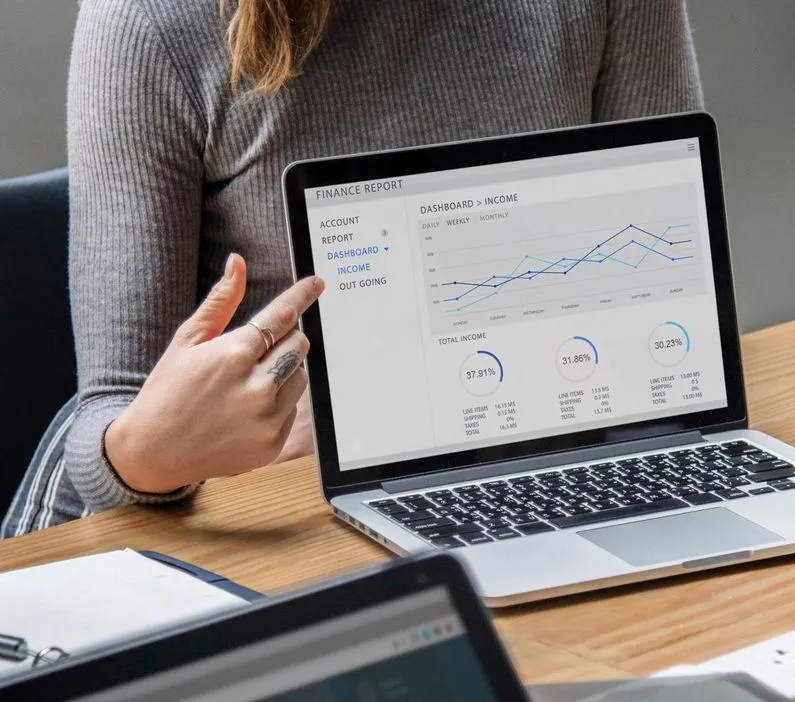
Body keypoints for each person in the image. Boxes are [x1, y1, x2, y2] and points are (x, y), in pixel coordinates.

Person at [1, 0, 703, 538]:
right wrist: (178, 444)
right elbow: (109, 423)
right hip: (248, 517)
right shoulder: (150, 23)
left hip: (522, 462)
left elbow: (664, 296)